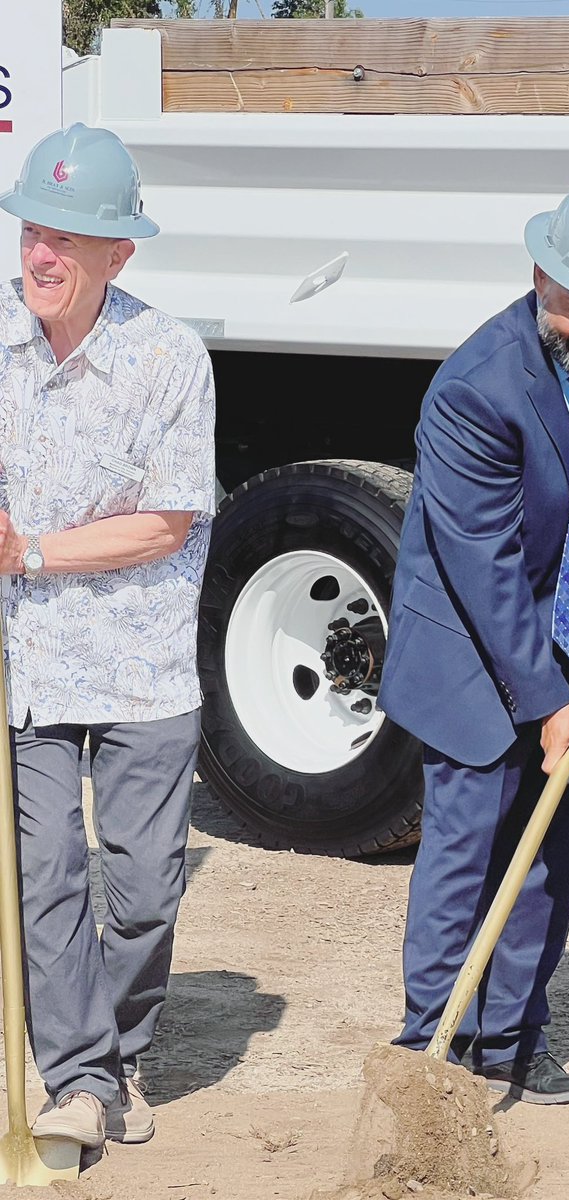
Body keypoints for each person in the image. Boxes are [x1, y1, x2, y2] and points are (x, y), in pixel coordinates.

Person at [378, 178, 569, 1104]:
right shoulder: (476, 387)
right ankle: (430, 1057)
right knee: (467, 854)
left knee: (549, 849)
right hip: (473, 649)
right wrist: (546, 699)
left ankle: (512, 1043)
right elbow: (486, 565)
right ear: (542, 274)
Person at [0, 124, 216, 1147]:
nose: (40, 256)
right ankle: (81, 1080)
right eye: (31, 233)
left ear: (117, 256)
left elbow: (164, 524)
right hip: (28, 667)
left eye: (65, 240)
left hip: (143, 666)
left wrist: (32, 552)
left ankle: (120, 1055)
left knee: (141, 895)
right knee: (45, 877)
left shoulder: (171, 358)